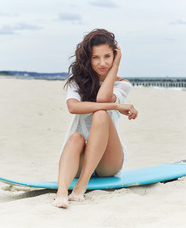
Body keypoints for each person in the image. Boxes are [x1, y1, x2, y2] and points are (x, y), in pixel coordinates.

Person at [53, 29, 138, 208]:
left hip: (108, 162)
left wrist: (115, 67)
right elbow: (73, 107)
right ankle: (61, 193)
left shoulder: (122, 84)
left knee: (100, 114)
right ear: (88, 58)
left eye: (108, 56)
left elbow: (102, 99)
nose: (102, 63)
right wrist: (116, 106)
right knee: (76, 137)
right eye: (95, 57)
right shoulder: (77, 81)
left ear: (115, 56)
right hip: (79, 158)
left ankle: (81, 186)